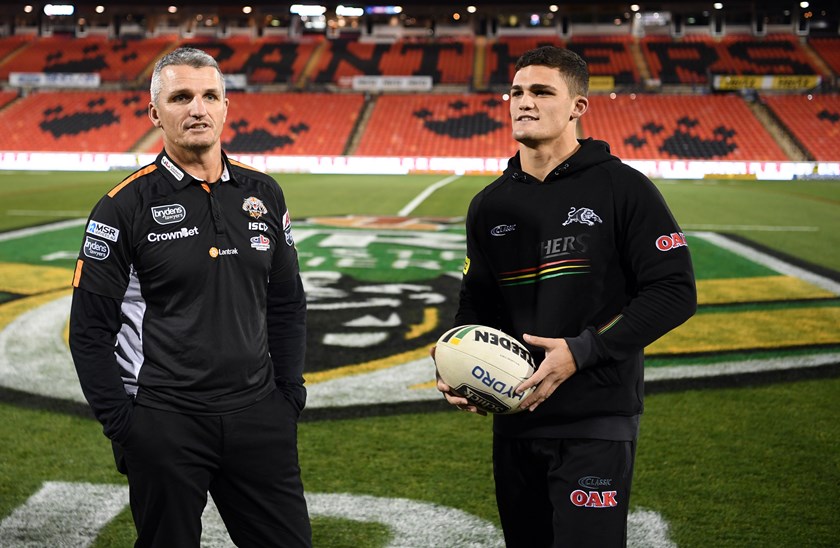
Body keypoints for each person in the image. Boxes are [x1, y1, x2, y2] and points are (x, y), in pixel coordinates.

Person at [432, 46, 696, 546]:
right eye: (516, 91)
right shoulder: (489, 204)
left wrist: (582, 351)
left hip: (596, 418)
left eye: (541, 91)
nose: (523, 102)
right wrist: (453, 359)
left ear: (578, 106)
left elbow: (675, 290)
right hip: (514, 414)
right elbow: (476, 304)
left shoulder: (623, 188)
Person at [68, 47, 311, 547]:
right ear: (155, 113)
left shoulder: (264, 193)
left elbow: (287, 302)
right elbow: (90, 331)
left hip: (259, 415)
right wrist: (127, 427)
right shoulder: (122, 208)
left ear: (226, 106)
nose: (197, 108)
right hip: (164, 421)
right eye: (181, 97)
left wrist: (288, 397)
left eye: (209, 96)